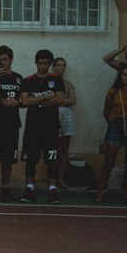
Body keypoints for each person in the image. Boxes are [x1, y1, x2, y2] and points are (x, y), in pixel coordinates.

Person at [94, 64, 127, 205]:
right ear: (120, 76)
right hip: (116, 124)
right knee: (109, 159)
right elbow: (106, 111)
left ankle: (126, 192)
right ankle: (100, 190)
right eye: (125, 75)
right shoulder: (114, 92)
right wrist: (113, 122)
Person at [19, 49, 65, 204]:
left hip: (51, 126)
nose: (43, 66)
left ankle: (52, 190)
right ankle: (30, 189)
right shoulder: (28, 80)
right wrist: (47, 96)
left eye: (46, 63)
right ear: (36, 62)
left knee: (52, 159)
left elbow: (59, 99)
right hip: (33, 126)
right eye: (40, 63)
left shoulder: (57, 79)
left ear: (50, 64)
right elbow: (25, 102)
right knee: (31, 159)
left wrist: (35, 100)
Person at [0, 46, 23, 202]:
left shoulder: (19, 78)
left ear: (11, 59)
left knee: (9, 158)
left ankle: (6, 187)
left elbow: (24, 100)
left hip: (13, 121)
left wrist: (18, 102)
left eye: (5, 59)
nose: (2, 62)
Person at [51, 56, 77, 188]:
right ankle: (52, 177)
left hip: (66, 115)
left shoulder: (68, 84)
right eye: (59, 65)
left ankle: (61, 178)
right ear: (53, 66)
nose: (61, 67)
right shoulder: (48, 81)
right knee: (53, 147)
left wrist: (58, 101)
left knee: (65, 147)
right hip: (52, 115)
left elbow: (72, 100)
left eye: (63, 65)